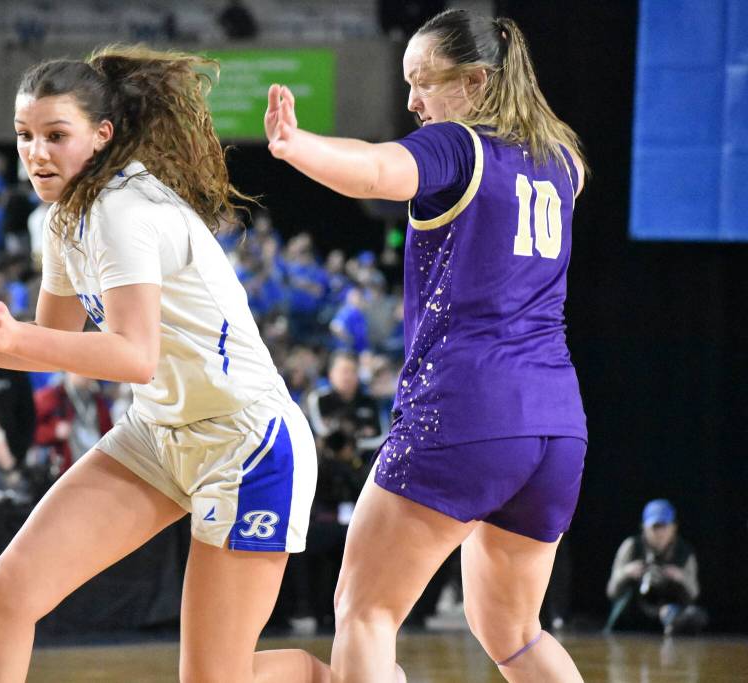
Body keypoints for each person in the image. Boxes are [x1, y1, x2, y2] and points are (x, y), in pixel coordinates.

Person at [0, 46, 324, 682]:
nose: (36, 152)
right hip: (161, 432)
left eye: (56, 135)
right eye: (25, 136)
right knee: (12, 590)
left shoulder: (123, 210)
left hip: (247, 442)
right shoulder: (63, 218)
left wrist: (10, 336)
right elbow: (51, 338)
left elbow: (134, 357)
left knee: (216, 678)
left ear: (102, 136)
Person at [266, 8, 588, 682]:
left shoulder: (458, 147)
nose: (412, 102)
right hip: (556, 425)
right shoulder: (562, 161)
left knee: (365, 611)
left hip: (467, 409)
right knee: (515, 632)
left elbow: (375, 170)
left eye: (423, 83)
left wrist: (298, 145)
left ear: (474, 81)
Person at [605, 499, 707, 636]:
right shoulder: (631, 546)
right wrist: (626, 573)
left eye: (664, 526)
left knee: (695, 615)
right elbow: (611, 591)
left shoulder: (685, 552)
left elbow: (694, 594)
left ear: (673, 527)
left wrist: (680, 577)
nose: (659, 533)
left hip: (667, 615)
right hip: (633, 617)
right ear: (644, 527)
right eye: (654, 527)